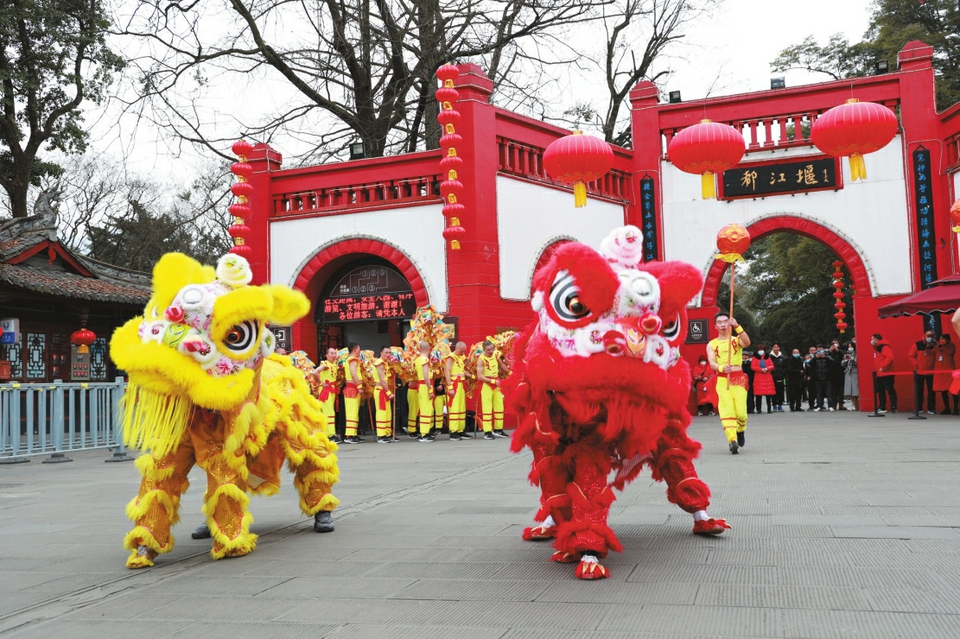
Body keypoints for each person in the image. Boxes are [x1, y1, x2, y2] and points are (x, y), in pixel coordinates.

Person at [706, 313, 751, 454]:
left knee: (741, 413)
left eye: (725, 321)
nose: (723, 324)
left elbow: (747, 342)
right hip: (722, 380)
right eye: (719, 322)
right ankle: (732, 440)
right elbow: (712, 363)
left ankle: (740, 430)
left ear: (729, 323)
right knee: (727, 410)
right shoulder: (712, 344)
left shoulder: (736, 340)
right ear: (715, 326)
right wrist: (720, 368)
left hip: (738, 379)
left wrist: (737, 326)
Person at [477, 339, 510, 439]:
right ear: (484, 350)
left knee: (499, 406)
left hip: (497, 383)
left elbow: (502, 365)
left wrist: (510, 373)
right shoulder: (481, 359)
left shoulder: (495, 355)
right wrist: (493, 382)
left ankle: (498, 429)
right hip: (487, 385)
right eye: (488, 350)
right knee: (487, 408)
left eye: (492, 348)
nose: (491, 351)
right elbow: (479, 376)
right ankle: (487, 432)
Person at [312, 347, 341, 443]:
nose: (333, 355)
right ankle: (330, 435)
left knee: (329, 412)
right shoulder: (325, 364)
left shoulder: (333, 365)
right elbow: (314, 372)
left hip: (331, 390)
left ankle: (329, 433)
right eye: (331, 353)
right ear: (327, 355)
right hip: (326, 391)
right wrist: (321, 383)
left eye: (334, 353)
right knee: (329, 413)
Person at [907, 329, 937, 415]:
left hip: (931, 371)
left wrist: (935, 344)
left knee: (931, 391)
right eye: (928, 336)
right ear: (925, 336)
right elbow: (910, 356)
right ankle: (918, 408)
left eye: (932, 336)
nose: (930, 338)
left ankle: (931, 408)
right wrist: (916, 365)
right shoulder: (917, 344)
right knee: (918, 390)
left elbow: (939, 353)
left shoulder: (935, 346)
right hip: (919, 371)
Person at [444, 341, 469, 439]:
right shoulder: (451, 357)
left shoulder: (461, 357)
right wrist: (450, 387)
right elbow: (447, 372)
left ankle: (460, 430)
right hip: (454, 384)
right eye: (462, 350)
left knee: (461, 408)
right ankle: (453, 431)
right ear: (457, 348)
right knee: (454, 408)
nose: (463, 352)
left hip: (461, 385)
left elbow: (462, 370)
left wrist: (472, 376)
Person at [372, 347, 395, 443]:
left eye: (390, 353)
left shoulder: (385, 363)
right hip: (381, 390)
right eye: (386, 352)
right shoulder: (379, 363)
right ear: (381, 352)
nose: (388, 354)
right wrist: (388, 393)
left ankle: (387, 433)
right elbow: (382, 380)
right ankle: (381, 435)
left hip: (384, 390)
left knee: (387, 413)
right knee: (381, 413)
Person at [342, 343, 363, 443]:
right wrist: (359, 386)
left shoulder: (350, 360)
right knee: (352, 412)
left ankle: (353, 433)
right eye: (359, 349)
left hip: (352, 388)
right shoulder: (353, 360)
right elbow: (353, 373)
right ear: (355, 349)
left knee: (354, 412)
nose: (360, 351)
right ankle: (349, 436)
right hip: (353, 388)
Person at [415, 341, 436, 442]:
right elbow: (426, 376)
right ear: (428, 348)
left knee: (424, 409)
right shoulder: (425, 360)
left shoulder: (418, 359)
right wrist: (430, 389)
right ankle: (424, 433)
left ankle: (424, 432)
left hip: (421, 385)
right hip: (425, 386)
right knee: (426, 410)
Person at [871, 333, 897, 414]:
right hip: (879, 373)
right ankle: (882, 407)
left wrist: (883, 367)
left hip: (886, 373)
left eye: (872, 339)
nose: (871, 341)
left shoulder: (884, 347)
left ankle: (894, 407)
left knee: (890, 390)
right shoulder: (877, 348)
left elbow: (890, 357)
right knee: (880, 391)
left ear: (877, 339)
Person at [934, 333, 957, 415]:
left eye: (943, 339)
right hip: (941, 372)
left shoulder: (951, 346)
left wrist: (942, 346)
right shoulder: (938, 347)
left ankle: (956, 409)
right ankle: (947, 408)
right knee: (943, 390)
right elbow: (932, 352)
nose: (941, 340)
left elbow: (950, 352)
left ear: (948, 340)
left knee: (954, 391)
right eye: (941, 339)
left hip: (949, 371)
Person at [751, 345, 776, 413]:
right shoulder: (755, 358)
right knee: (758, 395)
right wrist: (761, 369)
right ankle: (758, 409)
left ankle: (769, 408)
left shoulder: (768, 358)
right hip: (759, 376)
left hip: (767, 377)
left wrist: (767, 368)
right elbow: (753, 367)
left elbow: (772, 366)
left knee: (768, 394)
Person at [808, 346, 834, 411]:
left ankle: (830, 406)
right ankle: (819, 406)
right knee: (819, 393)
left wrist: (826, 357)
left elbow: (833, 363)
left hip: (827, 378)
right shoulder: (815, 357)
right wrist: (815, 358)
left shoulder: (827, 356)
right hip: (818, 378)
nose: (820, 352)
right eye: (819, 350)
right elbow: (809, 365)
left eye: (821, 350)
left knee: (829, 393)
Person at [827, 340, 845, 409]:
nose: (834, 345)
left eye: (836, 343)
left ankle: (841, 404)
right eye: (833, 344)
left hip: (840, 373)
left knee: (841, 390)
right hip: (831, 374)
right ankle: (833, 404)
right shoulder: (828, 353)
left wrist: (837, 351)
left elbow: (843, 357)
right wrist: (830, 351)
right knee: (832, 390)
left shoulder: (841, 352)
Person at [769, 343, 786, 412]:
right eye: (774, 347)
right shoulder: (769, 357)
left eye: (777, 347)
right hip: (772, 377)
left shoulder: (782, 357)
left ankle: (780, 405)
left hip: (781, 377)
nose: (776, 348)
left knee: (781, 392)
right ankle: (774, 405)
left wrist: (783, 374)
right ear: (772, 348)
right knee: (773, 392)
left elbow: (785, 367)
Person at [843, 342, 859, 412]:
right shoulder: (847, 353)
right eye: (849, 346)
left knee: (856, 390)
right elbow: (842, 364)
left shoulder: (857, 354)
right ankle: (853, 404)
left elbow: (857, 363)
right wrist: (846, 360)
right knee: (849, 391)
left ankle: (857, 405)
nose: (850, 348)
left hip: (855, 372)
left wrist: (852, 359)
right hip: (848, 372)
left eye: (851, 346)